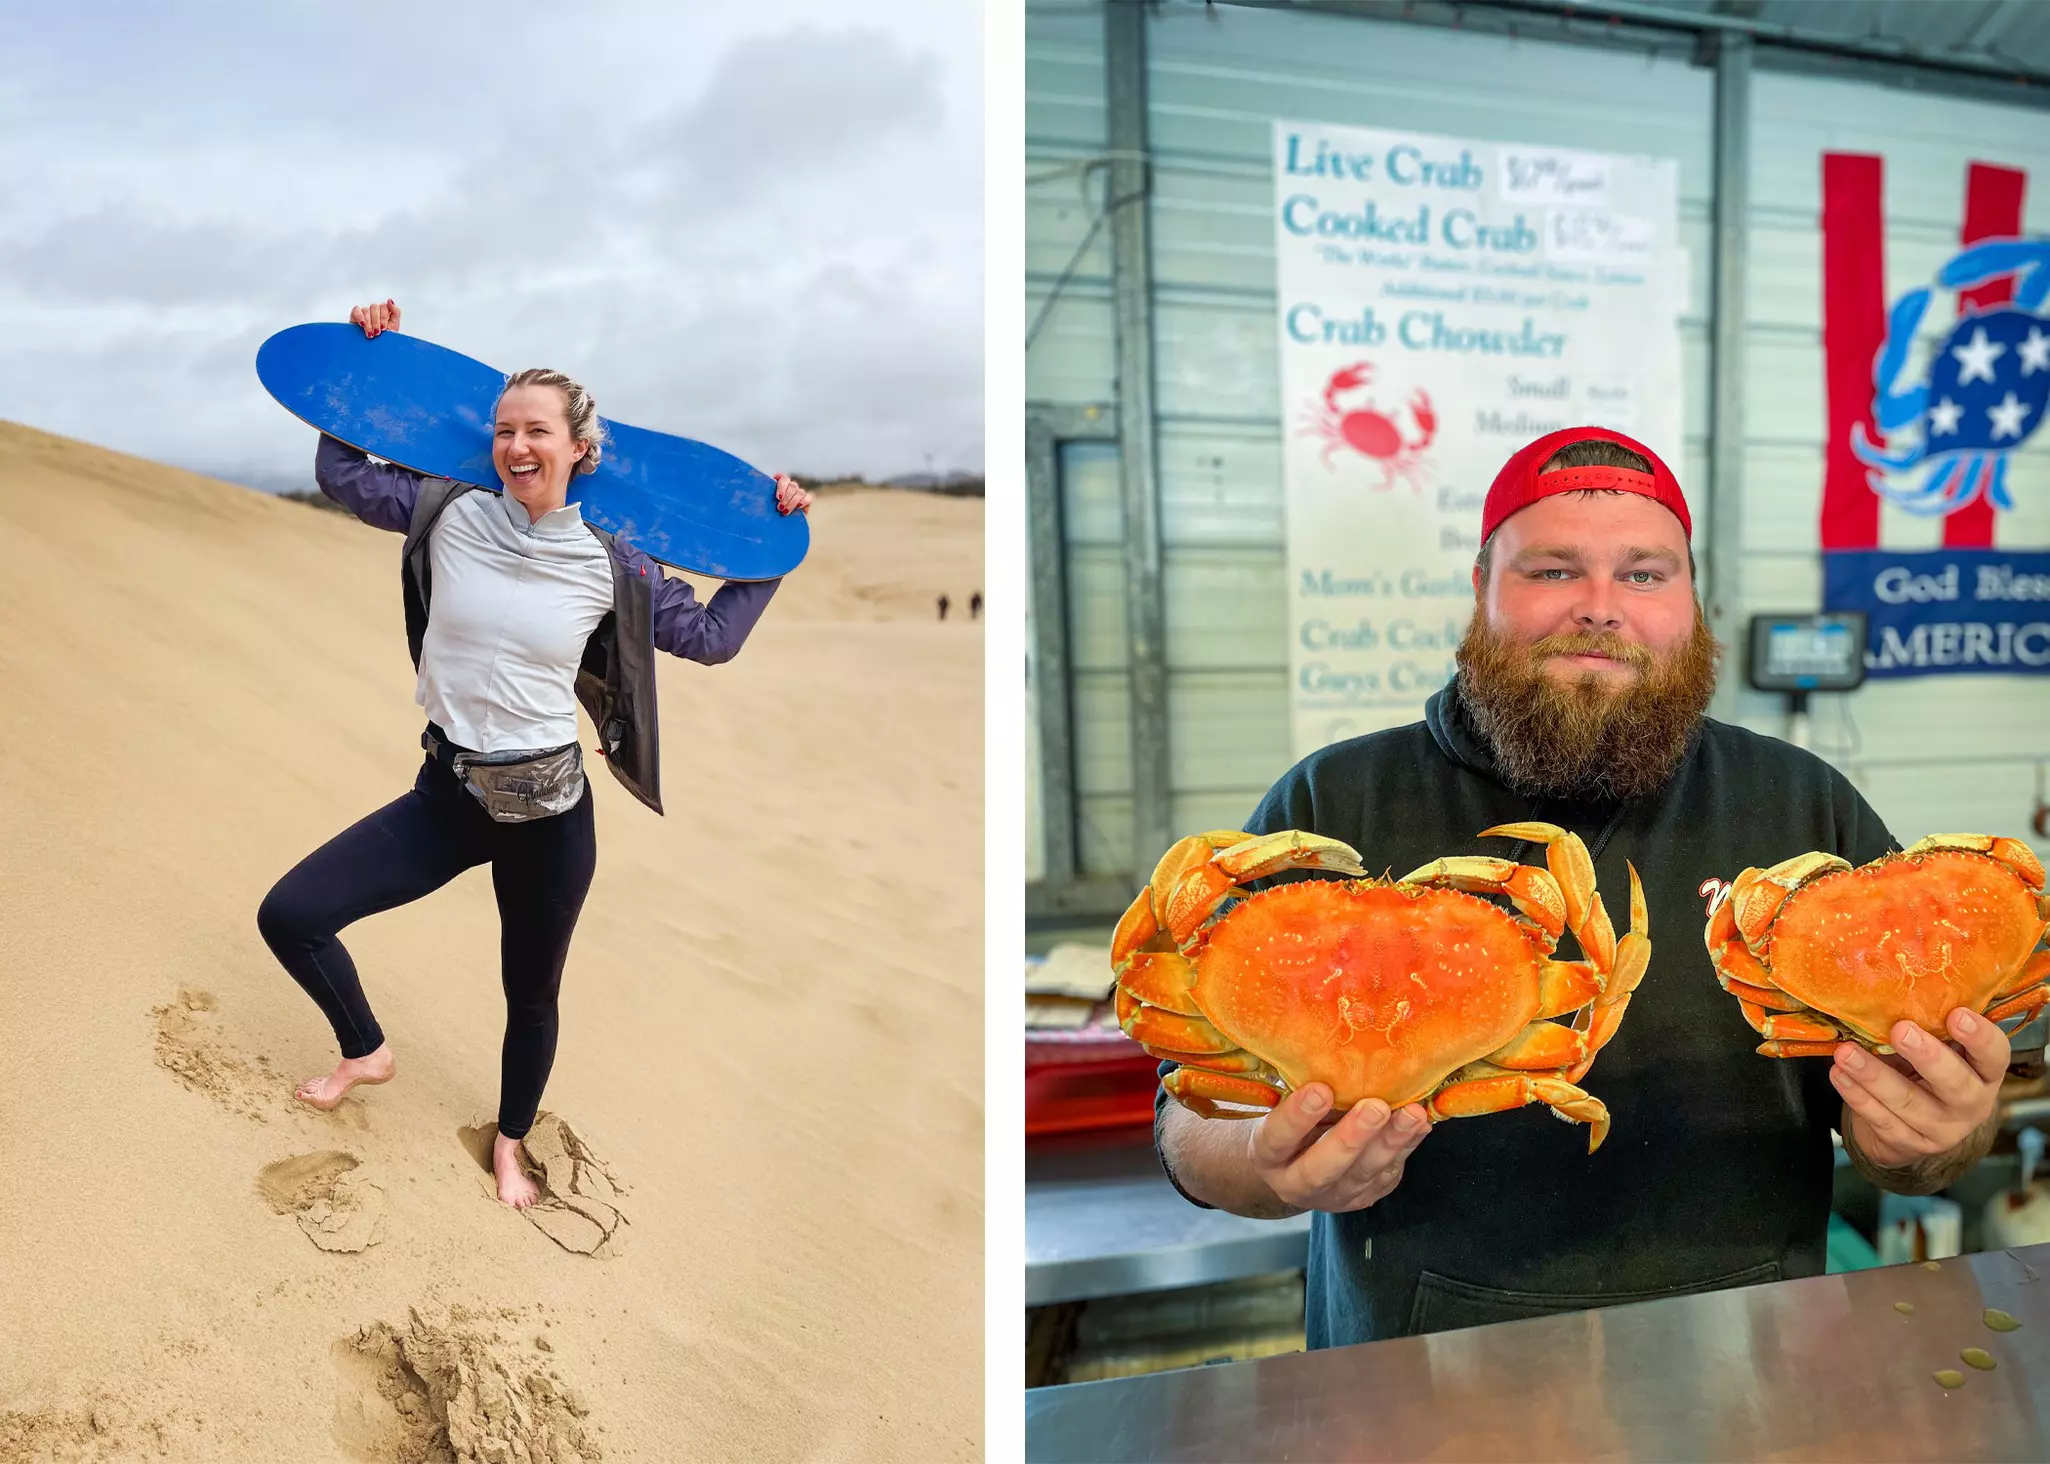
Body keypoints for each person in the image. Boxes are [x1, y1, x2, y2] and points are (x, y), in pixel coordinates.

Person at [1153, 426, 2011, 1347]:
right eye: (1553, 570)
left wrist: (1938, 1137)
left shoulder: (1804, 808)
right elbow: (1189, 1115)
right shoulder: (1325, 808)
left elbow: (1926, 1122)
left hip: (1753, 1359)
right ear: (1482, 590)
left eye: (1644, 573)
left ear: (1693, 605)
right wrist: (1262, 1165)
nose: (1600, 608)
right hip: (1416, 1372)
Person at [256, 298, 812, 1210]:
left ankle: (511, 1141)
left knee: (531, 995)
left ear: (578, 449)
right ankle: (367, 1049)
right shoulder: (447, 510)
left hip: (548, 817)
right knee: (293, 914)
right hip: (447, 796)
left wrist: (771, 540)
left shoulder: (613, 561)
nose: (518, 445)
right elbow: (344, 472)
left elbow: (712, 636)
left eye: (538, 431)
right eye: (504, 428)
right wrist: (370, 363)